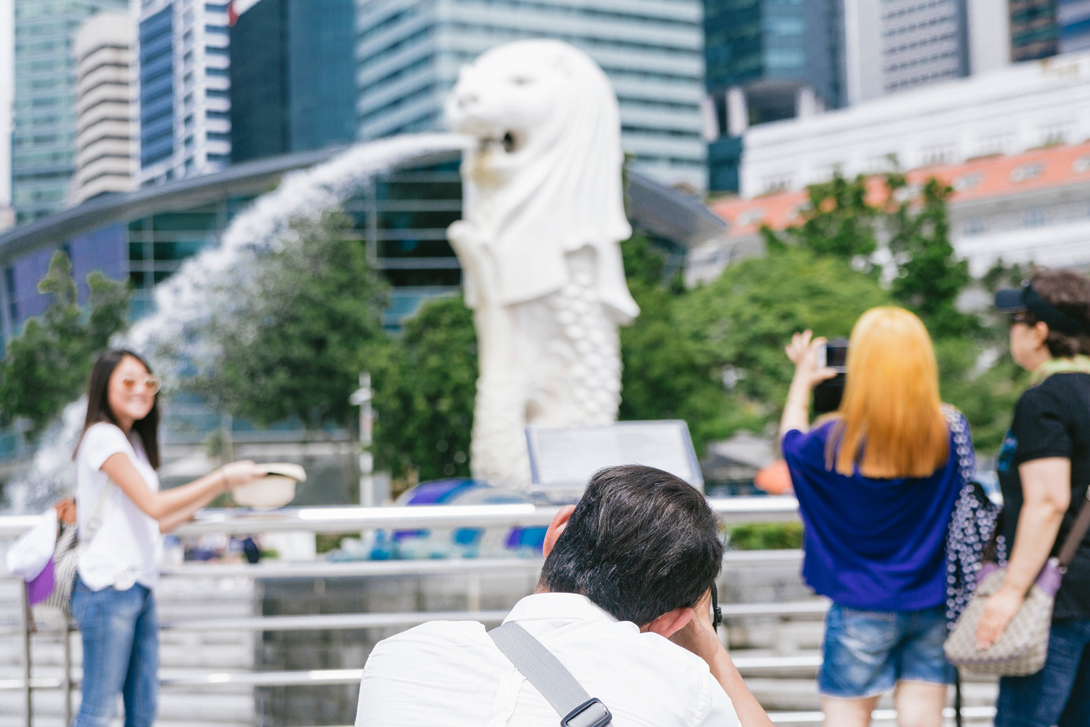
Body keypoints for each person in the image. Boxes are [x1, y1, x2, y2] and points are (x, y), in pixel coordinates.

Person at [355, 465, 774, 727]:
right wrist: (707, 645)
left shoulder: (401, 654)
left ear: (557, 531)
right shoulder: (682, 681)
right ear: (672, 621)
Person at [780, 308, 968, 727]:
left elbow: (789, 443)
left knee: (846, 719)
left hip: (859, 604)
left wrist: (802, 380)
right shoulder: (949, 430)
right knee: (923, 719)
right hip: (932, 602)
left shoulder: (832, 440)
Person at [70, 349, 266, 727]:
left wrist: (212, 500)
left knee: (143, 711)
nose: (142, 389)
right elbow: (155, 505)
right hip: (108, 587)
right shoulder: (102, 436)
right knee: (97, 713)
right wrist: (222, 478)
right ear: (103, 385)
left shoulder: (134, 444)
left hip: (138, 586)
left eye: (149, 382)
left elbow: (151, 521)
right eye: (128, 381)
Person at [980, 269, 1090, 726]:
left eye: (1016, 321)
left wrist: (1010, 591)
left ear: (1040, 331)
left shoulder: (1044, 399)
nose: (1012, 333)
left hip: (1057, 599)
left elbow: (1048, 502)